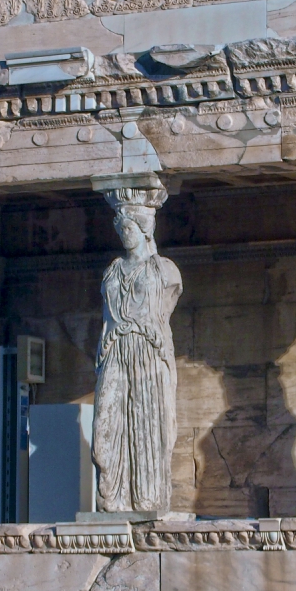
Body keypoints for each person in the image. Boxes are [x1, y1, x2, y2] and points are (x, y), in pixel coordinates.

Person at [92, 190, 182, 513]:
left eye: (128, 227)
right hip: (115, 351)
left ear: (145, 228)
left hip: (147, 352)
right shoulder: (112, 272)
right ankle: (112, 497)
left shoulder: (165, 271)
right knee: (104, 433)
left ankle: (147, 499)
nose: (123, 233)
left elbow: (164, 310)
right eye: (120, 228)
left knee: (148, 427)